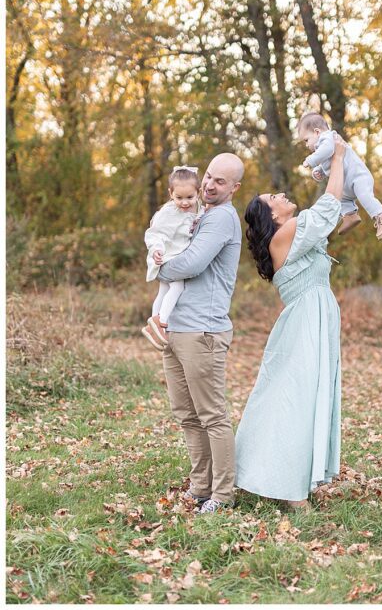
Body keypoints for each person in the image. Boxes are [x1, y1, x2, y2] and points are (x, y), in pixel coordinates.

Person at [235, 132, 348, 509]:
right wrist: (336, 160)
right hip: (304, 323)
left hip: (316, 317)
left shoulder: (293, 234)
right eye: (275, 199)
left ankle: (285, 475)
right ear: (272, 216)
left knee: (304, 396)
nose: (282, 196)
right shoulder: (284, 235)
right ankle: (286, 487)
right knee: (295, 399)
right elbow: (328, 208)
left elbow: (336, 223)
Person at [154, 153, 244, 515]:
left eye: (220, 181)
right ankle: (200, 485)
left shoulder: (222, 217)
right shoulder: (198, 212)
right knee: (187, 415)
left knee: (212, 415)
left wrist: (158, 269)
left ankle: (222, 494)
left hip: (202, 331)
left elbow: (191, 263)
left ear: (234, 188)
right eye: (208, 176)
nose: (209, 184)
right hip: (177, 328)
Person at [296, 111, 382, 239]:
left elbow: (328, 150)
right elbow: (329, 161)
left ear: (317, 132)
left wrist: (311, 160)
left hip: (358, 177)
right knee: (339, 199)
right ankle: (350, 216)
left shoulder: (328, 138)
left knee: (364, 196)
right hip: (346, 184)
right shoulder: (324, 146)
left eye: (306, 140)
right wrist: (319, 171)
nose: (307, 145)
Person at [141, 166, 202, 351]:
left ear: (198, 193)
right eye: (179, 198)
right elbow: (154, 233)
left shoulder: (199, 208)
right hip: (168, 254)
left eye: (189, 197)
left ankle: (153, 327)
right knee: (177, 286)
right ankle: (161, 321)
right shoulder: (167, 212)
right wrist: (156, 250)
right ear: (170, 193)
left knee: (163, 290)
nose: (184, 202)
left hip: (179, 253)